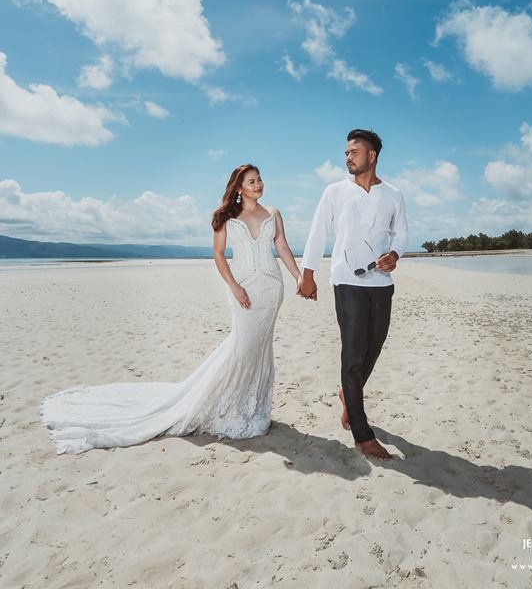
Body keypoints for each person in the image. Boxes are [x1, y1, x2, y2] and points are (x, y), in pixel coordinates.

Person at [41, 164, 303, 454]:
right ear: (239, 188)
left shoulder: (274, 214)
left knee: (260, 348)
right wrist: (234, 286)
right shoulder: (226, 217)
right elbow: (218, 254)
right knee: (241, 347)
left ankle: (251, 408)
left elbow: (282, 248)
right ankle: (222, 406)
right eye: (251, 181)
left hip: (271, 289)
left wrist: (299, 276)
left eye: (260, 180)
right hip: (244, 289)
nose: (258, 184)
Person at [299, 129, 408, 460]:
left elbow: (401, 233)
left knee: (372, 350)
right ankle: (362, 434)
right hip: (346, 281)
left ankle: (349, 395)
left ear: (371, 156)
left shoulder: (393, 194)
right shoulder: (334, 192)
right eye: (346, 152)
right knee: (353, 354)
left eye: (353, 152)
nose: (347, 157)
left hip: (382, 285)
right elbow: (318, 231)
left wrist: (395, 254)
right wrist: (308, 273)